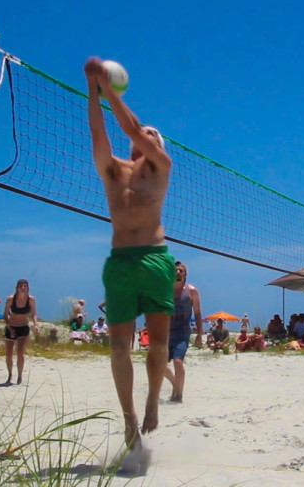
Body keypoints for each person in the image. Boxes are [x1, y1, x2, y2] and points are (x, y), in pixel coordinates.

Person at [85, 56, 175, 454]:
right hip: (120, 262)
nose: (148, 136)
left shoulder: (162, 166)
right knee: (119, 347)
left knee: (157, 346)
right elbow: (99, 135)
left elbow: (132, 127)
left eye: (154, 134)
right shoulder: (115, 171)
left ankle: (154, 398)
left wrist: (107, 89)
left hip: (156, 260)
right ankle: (129, 418)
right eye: (146, 134)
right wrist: (93, 90)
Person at [164, 261, 203, 403]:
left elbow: (198, 314)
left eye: (181, 270)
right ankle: (175, 384)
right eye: (175, 270)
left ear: (185, 274)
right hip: (167, 333)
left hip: (182, 332)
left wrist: (199, 334)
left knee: (178, 362)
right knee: (159, 364)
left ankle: (178, 395)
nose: (178, 272)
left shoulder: (191, 290)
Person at [2, 279, 40, 385]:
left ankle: (19, 376)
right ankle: (10, 374)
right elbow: (5, 315)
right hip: (11, 327)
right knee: (9, 354)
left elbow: (33, 314)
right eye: (21, 286)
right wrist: (9, 327)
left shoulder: (31, 300)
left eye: (25, 286)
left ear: (28, 288)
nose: (23, 288)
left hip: (23, 327)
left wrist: (36, 325)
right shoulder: (10, 299)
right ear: (17, 288)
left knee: (20, 352)